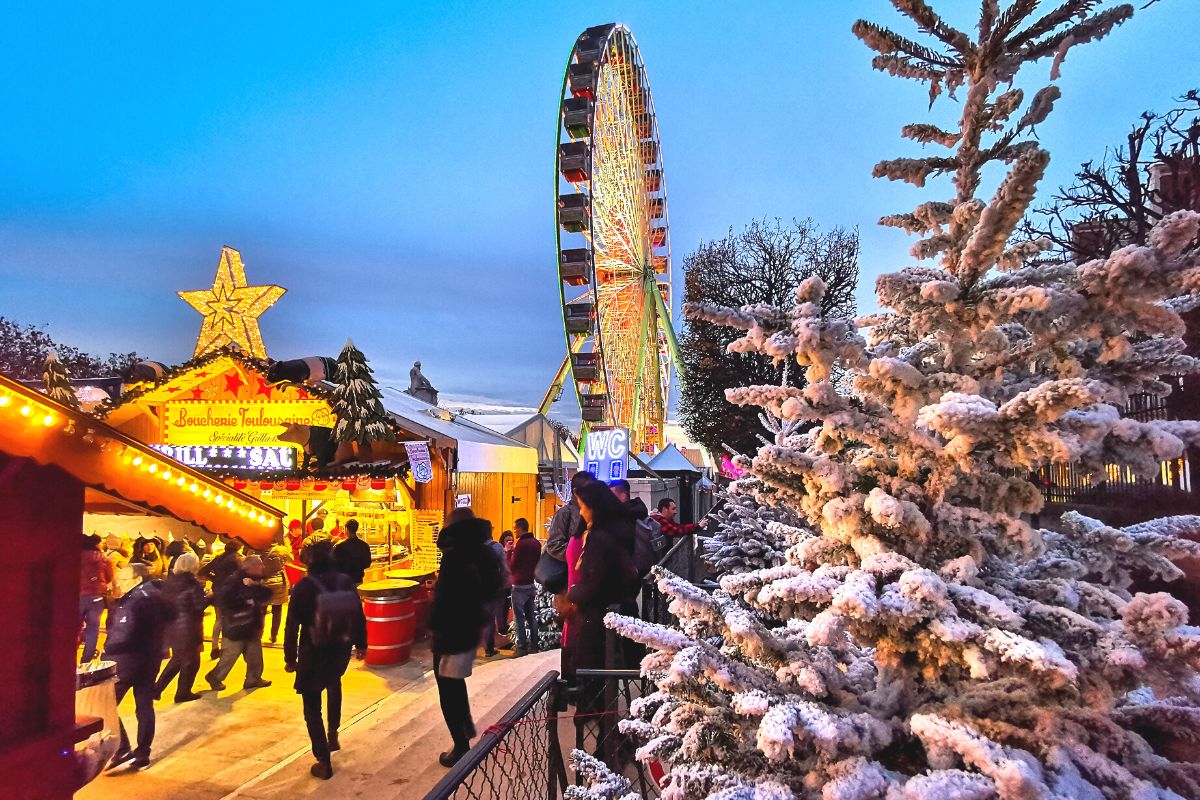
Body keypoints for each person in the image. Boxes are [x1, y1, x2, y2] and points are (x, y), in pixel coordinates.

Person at [284, 540, 366, 780]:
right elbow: (358, 615)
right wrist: (361, 643)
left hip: (313, 651)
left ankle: (323, 760)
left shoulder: (303, 587)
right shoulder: (346, 582)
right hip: (340, 648)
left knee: (311, 706)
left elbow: (292, 627)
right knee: (334, 683)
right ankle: (333, 733)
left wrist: (290, 658)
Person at [429, 508, 502, 767]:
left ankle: (460, 745)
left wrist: (433, 620)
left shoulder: (457, 556)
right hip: (468, 629)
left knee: (448, 689)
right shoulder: (484, 552)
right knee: (455, 685)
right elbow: (496, 586)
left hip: (452, 631)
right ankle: (464, 733)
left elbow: (448, 598)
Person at [104, 562, 175, 771]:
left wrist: (108, 649)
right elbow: (171, 618)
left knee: (105, 705)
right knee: (144, 706)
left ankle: (122, 747)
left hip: (128, 660)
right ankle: (143, 752)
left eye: (124, 579)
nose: (119, 583)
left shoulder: (135, 600)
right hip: (150, 659)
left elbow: (123, 634)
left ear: (137, 579)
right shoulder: (158, 594)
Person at [566, 481, 641, 675]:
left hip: (598, 625)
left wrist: (571, 594)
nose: (580, 512)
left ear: (594, 507)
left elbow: (594, 584)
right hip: (610, 619)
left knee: (594, 681)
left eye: (582, 507)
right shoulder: (614, 532)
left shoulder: (599, 539)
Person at [205, 555, 273, 691]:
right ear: (250, 567)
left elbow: (267, 594)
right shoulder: (234, 580)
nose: (263, 567)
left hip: (250, 625)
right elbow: (224, 600)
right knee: (230, 655)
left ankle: (253, 678)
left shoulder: (255, 580)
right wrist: (245, 601)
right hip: (236, 625)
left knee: (255, 654)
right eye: (259, 565)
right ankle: (215, 676)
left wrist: (253, 587)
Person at [155, 553, 209, 702]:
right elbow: (199, 606)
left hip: (172, 627)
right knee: (192, 663)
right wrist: (210, 596)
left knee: (178, 659)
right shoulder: (193, 584)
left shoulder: (169, 582)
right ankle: (183, 693)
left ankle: (157, 689)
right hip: (188, 629)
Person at [200, 541, 242, 659]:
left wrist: (215, 579)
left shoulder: (219, 557)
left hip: (218, 591)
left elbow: (202, 571)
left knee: (218, 619)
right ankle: (224, 648)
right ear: (238, 547)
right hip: (231, 594)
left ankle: (214, 647)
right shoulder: (238, 559)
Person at [507, 519, 541, 656]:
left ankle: (521, 648)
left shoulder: (521, 544)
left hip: (519, 585)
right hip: (531, 584)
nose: (514, 531)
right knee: (531, 616)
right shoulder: (536, 543)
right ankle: (534, 645)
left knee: (519, 618)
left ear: (521, 528)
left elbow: (512, 566)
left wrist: (509, 552)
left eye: (515, 528)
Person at [80, 534, 114, 663]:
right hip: (96, 597)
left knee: (74, 628)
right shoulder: (104, 559)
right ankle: (85, 661)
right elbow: (110, 577)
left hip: (76, 597)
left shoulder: (72, 557)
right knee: (93, 630)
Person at [484, 530, 512, 657]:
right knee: (491, 616)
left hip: (479, 586)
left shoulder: (475, 547)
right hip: (495, 586)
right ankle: (489, 648)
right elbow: (504, 567)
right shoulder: (497, 547)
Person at [260, 535, 293, 645]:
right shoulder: (281, 549)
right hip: (279, 582)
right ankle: (274, 635)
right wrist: (287, 546)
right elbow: (291, 559)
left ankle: (259, 633)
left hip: (263, 582)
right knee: (277, 610)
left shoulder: (258, 548)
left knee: (261, 610)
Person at [333, 519, 372, 585]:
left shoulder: (340, 546)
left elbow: (334, 564)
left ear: (346, 529)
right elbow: (367, 563)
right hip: (358, 579)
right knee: (357, 594)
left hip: (344, 581)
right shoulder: (364, 545)